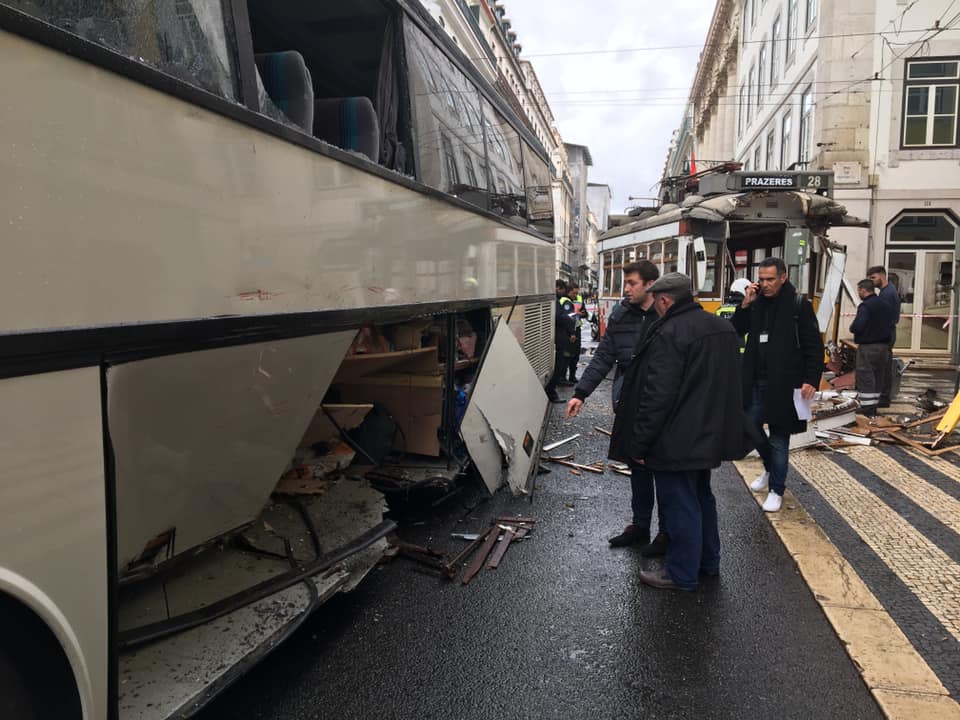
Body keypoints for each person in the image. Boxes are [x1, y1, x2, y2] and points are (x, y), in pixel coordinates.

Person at [609, 273, 751, 591]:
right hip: (709, 433)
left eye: (657, 301)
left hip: (676, 438)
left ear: (665, 300)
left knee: (679, 505)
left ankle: (681, 574)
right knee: (702, 498)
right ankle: (707, 563)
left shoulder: (670, 331)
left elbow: (657, 395)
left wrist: (640, 444)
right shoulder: (721, 327)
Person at [566, 260, 666, 553]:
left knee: (664, 468)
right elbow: (604, 356)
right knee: (637, 466)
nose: (626, 289)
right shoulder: (622, 314)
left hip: (661, 403)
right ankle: (640, 525)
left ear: (650, 284)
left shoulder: (666, 315)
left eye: (632, 283)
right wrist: (580, 393)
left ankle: (667, 533)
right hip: (630, 401)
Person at [732, 257, 823, 513]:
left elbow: (813, 346)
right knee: (748, 425)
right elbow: (736, 329)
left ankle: (776, 489)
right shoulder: (757, 303)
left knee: (779, 438)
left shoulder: (798, 306)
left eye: (770, 279)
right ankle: (771, 469)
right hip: (754, 381)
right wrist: (745, 304)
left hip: (785, 383)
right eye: (761, 279)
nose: (765, 284)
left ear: (783, 277)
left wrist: (811, 380)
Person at [850, 279, 894, 417]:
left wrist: (853, 328)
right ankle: (874, 406)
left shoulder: (866, 306)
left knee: (865, 376)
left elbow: (858, 326)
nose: (858, 293)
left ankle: (867, 408)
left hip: (868, 347)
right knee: (878, 376)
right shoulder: (886, 305)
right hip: (884, 347)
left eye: (859, 291)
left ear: (863, 290)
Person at [868, 265, 901, 408]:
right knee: (884, 366)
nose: (872, 281)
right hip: (887, 332)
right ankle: (883, 396)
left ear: (882, 276)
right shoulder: (887, 291)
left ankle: (883, 397)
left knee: (883, 367)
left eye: (873, 278)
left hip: (885, 333)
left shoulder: (887, 294)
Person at [546, 279, 577, 403]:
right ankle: (551, 392)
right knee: (558, 366)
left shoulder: (557, 300)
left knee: (559, 365)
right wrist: (571, 316)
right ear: (557, 288)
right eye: (562, 290)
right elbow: (560, 317)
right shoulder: (557, 301)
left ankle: (551, 390)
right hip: (558, 338)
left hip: (558, 336)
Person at [562, 282, 589, 384]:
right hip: (568, 331)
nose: (576, 295)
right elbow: (565, 316)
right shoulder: (564, 300)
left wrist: (582, 314)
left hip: (577, 328)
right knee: (566, 355)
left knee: (575, 354)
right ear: (568, 292)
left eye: (577, 293)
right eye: (574, 293)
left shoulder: (579, 298)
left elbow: (584, 312)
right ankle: (563, 377)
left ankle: (572, 376)